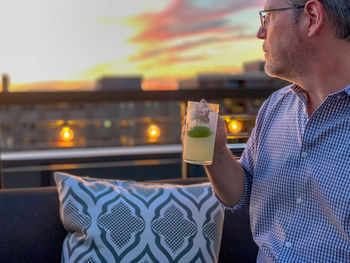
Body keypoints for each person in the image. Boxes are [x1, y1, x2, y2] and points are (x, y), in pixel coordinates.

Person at [203, 0, 350, 261]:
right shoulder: (275, 106)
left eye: (267, 18)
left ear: (312, 17)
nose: (260, 32)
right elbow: (242, 192)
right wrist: (215, 152)